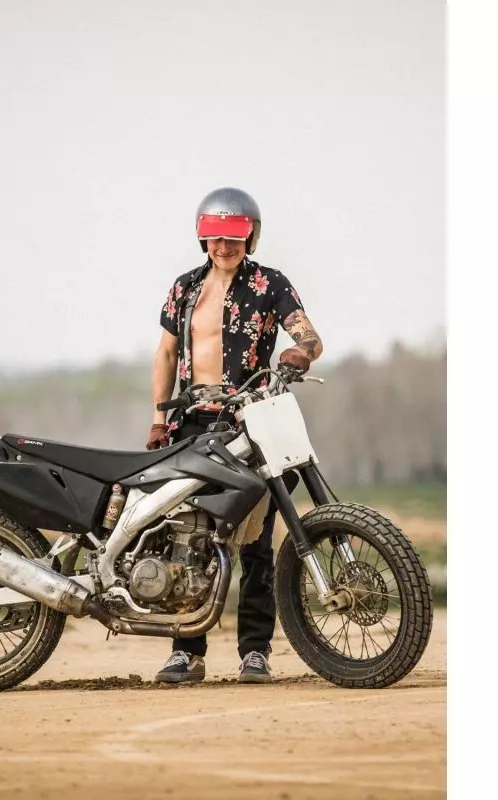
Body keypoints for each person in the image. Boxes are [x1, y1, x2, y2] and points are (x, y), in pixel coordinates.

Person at [146, 186, 323, 684]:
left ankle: (255, 652)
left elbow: (309, 335)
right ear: (202, 238)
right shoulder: (184, 288)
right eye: (215, 237)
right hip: (191, 422)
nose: (224, 246)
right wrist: (158, 418)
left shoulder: (270, 284)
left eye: (234, 237)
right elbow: (165, 353)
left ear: (251, 237)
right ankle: (186, 652)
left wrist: (302, 352)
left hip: (251, 421)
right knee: (187, 537)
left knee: (257, 539)